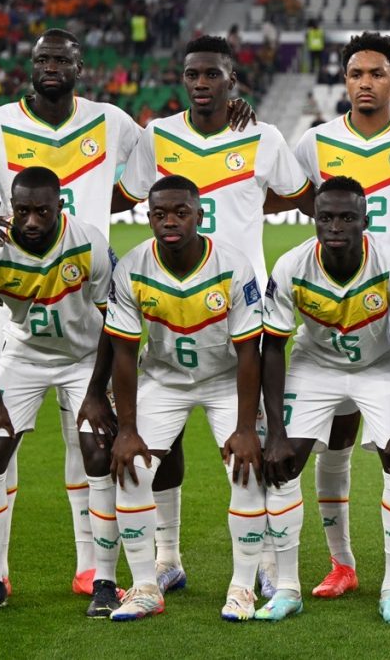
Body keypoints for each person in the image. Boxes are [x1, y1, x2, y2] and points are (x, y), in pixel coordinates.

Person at [0, 28, 253, 603]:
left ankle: (95, 570)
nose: (52, 67)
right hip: (17, 306)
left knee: (88, 444)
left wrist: (230, 109)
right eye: (42, 58)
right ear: (31, 65)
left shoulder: (113, 122)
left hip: (91, 299)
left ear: (80, 67)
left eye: (62, 59)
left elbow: (170, 152)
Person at [112, 35, 310, 596]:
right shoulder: (157, 136)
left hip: (241, 305)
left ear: (231, 80)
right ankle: (166, 559)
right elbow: (126, 195)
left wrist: (250, 205)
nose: (200, 84)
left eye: (212, 75)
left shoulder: (263, 135)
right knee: (160, 448)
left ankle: (268, 568)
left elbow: (296, 195)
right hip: (170, 305)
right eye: (192, 75)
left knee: (258, 451)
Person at [291, 31, 390, 600]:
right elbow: (289, 194)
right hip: (333, 318)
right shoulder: (315, 143)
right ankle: (342, 563)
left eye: (376, 73)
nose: (364, 83)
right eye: (355, 74)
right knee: (333, 443)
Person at [258, 177, 390, 622]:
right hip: (316, 365)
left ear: (364, 221)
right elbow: (272, 347)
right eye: (326, 217)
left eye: (347, 217)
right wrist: (275, 432)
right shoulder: (292, 265)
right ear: (313, 219)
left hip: (380, 363)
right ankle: (299, 584)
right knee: (282, 463)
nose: (335, 226)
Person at [0, 167, 118, 616]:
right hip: (23, 358)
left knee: (99, 454)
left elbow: (116, 323)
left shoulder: (89, 242)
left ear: (59, 206)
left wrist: (98, 392)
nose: (30, 221)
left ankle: (104, 580)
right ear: (10, 206)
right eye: (21, 210)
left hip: (84, 359)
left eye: (40, 210)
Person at [104, 175, 266, 622]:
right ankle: (144, 588)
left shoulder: (233, 265)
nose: (169, 221)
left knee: (247, 469)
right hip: (163, 379)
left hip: (225, 380)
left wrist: (247, 427)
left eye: (180, 212)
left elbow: (250, 351)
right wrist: (128, 428)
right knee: (132, 469)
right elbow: (123, 350)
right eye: (159, 214)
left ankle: (242, 587)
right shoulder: (132, 267)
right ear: (149, 216)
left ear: (199, 214)